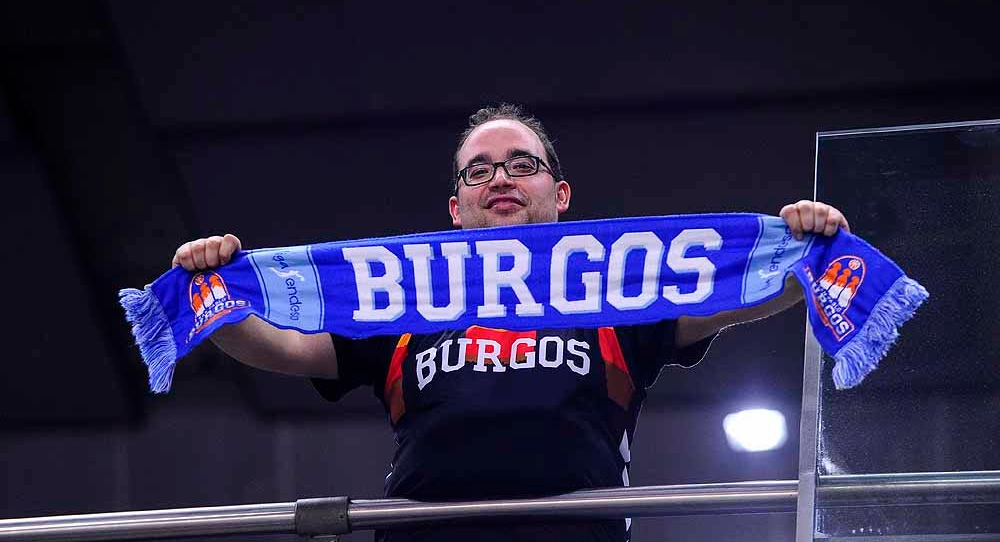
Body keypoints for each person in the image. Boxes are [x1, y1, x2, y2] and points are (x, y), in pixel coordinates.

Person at [172, 104, 849, 542]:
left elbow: (745, 292)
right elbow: (282, 346)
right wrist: (215, 297)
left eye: (522, 164)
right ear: (455, 206)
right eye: (479, 170)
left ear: (560, 195)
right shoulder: (401, 294)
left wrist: (807, 247)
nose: (500, 177)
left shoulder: (615, 287)